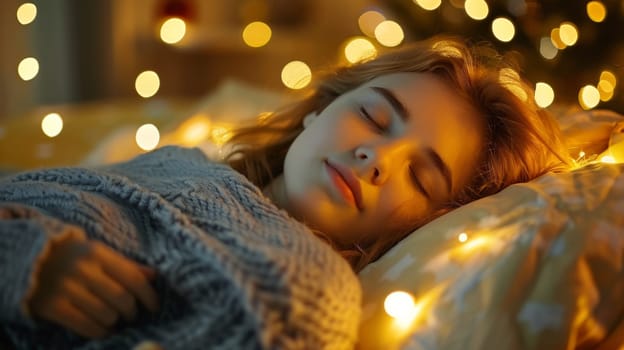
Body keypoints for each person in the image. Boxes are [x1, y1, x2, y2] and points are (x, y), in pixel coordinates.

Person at [0, 36, 569, 349]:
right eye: (373, 116)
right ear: (319, 110)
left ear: (424, 221)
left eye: (420, 177)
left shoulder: (302, 295)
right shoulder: (178, 163)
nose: (378, 160)